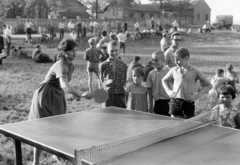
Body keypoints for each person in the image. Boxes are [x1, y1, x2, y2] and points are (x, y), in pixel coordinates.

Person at [29, 38, 91, 165]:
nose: (74, 53)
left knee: (58, 128)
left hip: (57, 94)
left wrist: (73, 93)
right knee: (42, 130)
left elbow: (65, 84)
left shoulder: (70, 65)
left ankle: (55, 155)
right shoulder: (61, 64)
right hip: (46, 95)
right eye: (71, 50)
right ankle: (35, 162)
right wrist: (80, 93)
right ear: (64, 51)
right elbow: (64, 84)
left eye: (76, 50)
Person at [162, 47, 212, 119]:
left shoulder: (195, 71)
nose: (175, 62)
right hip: (175, 101)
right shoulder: (174, 70)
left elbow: (209, 85)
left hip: (188, 103)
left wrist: (197, 96)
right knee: (174, 125)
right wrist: (168, 91)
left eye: (178, 60)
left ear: (186, 58)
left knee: (187, 125)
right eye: (175, 59)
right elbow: (164, 80)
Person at [99, 40, 127, 108]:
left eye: (116, 50)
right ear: (107, 51)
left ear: (119, 51)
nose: (114, 52)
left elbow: (125, 81)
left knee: (121, 114)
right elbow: (100, 81)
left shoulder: (124, 65)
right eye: (111, 50)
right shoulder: (103, 65)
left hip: (120, 94)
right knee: (108, 115)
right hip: (108, 95)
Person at [146, 50, 171, 116]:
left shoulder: (169, 72)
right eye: (152, 60)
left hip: (168, 101)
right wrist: (151, 105)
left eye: (156, 60)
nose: (154, 62)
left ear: (163, 60)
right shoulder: (151, 74)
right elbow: (150, 90)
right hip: (157, 102)